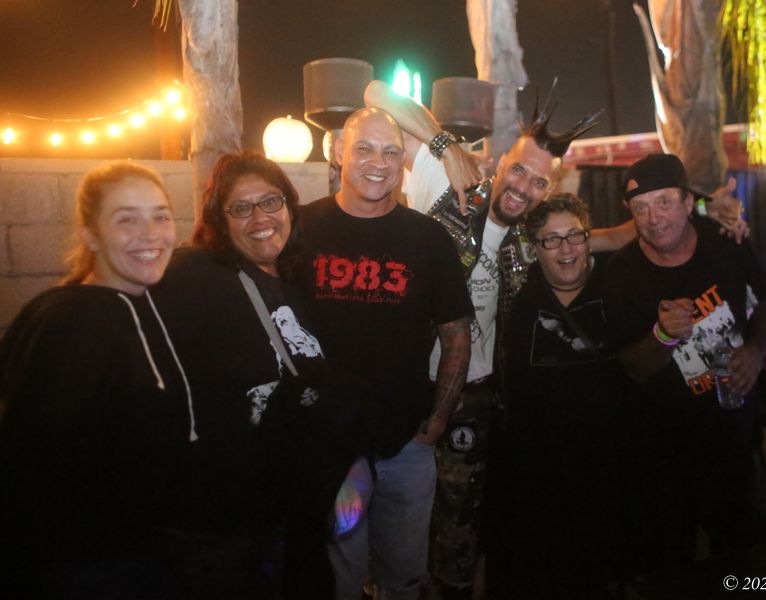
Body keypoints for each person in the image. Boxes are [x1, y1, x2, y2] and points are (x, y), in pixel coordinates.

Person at [364, 79, 749, 596]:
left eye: (539, 181)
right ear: (500, 161)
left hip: (476, 400)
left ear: (551, 188)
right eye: (518, 170)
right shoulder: (447, 180)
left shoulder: (532, 241)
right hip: (409, 389)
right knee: (392, 532)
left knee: (463, 535)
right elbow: (376, 93)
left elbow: (621, 234)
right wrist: (446, 146)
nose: (523, 186)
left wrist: (704, 210)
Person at [296, 107, 473, 600]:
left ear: (402, 162)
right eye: (365, 148)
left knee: (404, 579)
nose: (379, 162)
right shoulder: (301, 228)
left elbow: (457, 334)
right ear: (339, 152)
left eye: (391, 151)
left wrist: (435, 424)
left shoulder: (427, 237)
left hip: (405, 444)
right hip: (328, 448)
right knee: (339, 581)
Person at [152, 152, 345, 599]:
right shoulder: (196, 273)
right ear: (220, 220)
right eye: (241, 208)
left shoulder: (298, 277)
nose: (260, 218)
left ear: (289, 207)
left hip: (297, 508)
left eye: (271, 202)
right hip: (230, 523)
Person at [0, 162, 191, 599]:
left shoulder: (132, 304)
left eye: (161, 216)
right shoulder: (75, 325)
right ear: (90, 235)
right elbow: (35, 471)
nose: (151, 234)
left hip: (139, 556)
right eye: (127, 219)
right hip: (90, 567)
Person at [602, 153, 766, 571]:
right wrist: (664, 335)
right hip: (662, 459)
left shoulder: (725, 241)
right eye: (640, 207)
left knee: (746, 566)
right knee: (667, 575)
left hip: (735, 448)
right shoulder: (623, 271)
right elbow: (632, 367)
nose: (654, 218)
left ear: (689, 202)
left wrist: (756, 350)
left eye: (664, 202)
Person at [487, 193, 633, 598]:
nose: (566, 248)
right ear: (535, 248)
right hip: (536, 479)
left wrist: (713, 213)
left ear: (588, 239)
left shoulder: (618, 287)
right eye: (552, 239)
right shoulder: (516, 300)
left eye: (574, 236)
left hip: (606, 474)